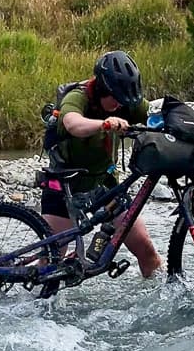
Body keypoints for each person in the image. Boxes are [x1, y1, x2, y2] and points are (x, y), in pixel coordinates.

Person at [41, 50, 162, 278]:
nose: (120, 105)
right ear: (101, 89)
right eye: (115, 100)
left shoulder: (124, 101)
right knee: (49, 265)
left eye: (124, 101)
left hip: (104, 187)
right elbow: (72, 123)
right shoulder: (78, 97)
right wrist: (104, 124)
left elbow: (156, 114)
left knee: (147, 252)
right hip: (65, 187)